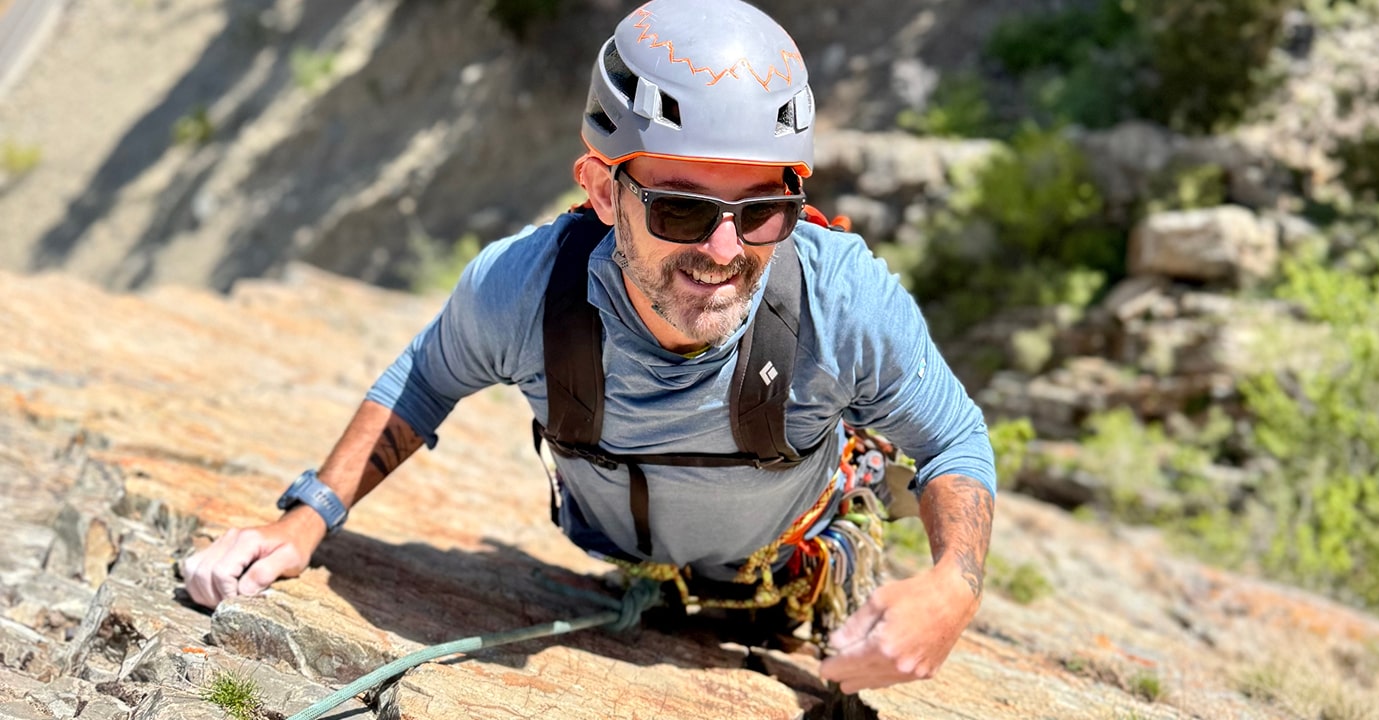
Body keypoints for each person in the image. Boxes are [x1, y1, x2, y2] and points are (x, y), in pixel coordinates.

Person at [181, 0, 995, 693]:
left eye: (762, 213)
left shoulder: (840, 298)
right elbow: (424, 379)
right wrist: (304, 523)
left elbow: (953, 437)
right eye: (680, 212)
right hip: (620, 559)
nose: (723, 249)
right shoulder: (527, 290)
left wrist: (952, 585)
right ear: (603, 190)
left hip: (788, 569)